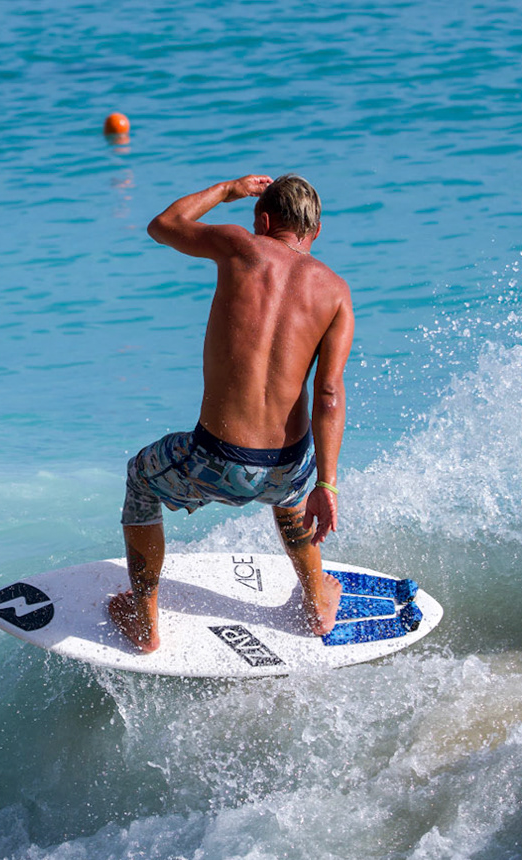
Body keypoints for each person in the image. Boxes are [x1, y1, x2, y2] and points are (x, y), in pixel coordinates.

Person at [109, 174, 355, 653]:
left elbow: (164, 225)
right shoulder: (337, 292)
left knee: (140, 477)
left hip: (215, 460)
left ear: (263, 220)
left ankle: (144, 621)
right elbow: (328, 393)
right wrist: (326, 485)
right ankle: (316, 602)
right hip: (287, 469)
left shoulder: (240, 246)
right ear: (316, 231)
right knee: (292, 488)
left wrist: (227, 190)